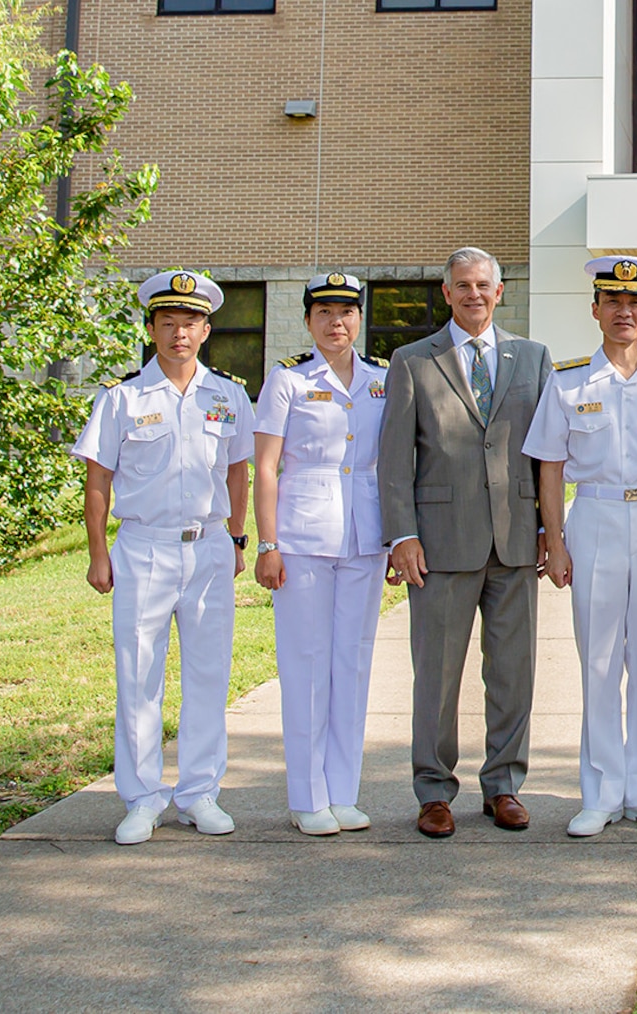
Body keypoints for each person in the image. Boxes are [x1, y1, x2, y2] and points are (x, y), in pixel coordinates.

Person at [523, 256, 637, 837]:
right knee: (599, 661)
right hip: (597, 518)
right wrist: (555, 543)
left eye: (636, 304)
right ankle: (601, 791)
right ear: (596, 309)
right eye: (613, 302)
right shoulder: (568, 380)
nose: (624, 312)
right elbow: (550, 469)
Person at [73, 270, 254, 846]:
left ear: (207, 329)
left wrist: (236, 538)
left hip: (206, 548)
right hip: (143, 548)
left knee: (208, 673)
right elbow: (97, 479)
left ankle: (199, 793)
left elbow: (237, 470)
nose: (181, 333)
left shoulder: (226, 394)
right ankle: (141, 798)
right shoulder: (122, 396)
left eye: (192, 323)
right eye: (169, 323)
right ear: (151, 328)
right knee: (138, 675)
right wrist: (99, 553)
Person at [378, 247, 553, 839]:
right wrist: (402, 534)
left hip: (515, 543)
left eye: (484, 284)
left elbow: (549, 454)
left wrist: (551, 531)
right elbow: (395, 460)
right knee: (438, 675)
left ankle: (503, 786)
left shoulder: (533, 358)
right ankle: (433, 791)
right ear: (446, 293)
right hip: (439, 544)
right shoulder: (411, 361)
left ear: (499, 292)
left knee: (513, 673)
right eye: (462, 285)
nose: (474, 294)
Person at [253, 272, 394, 836]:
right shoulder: (287, 380)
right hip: (303, 536)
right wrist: (268, 543)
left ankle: (344, 791)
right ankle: (308, 796)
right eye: (325, 313)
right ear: (308, 320)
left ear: (359, 319)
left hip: (364, 534)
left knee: (353, 663)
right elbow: (265, 466)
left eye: (347, 312)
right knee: (307, 663)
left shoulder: (382, 378)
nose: (337, 322)